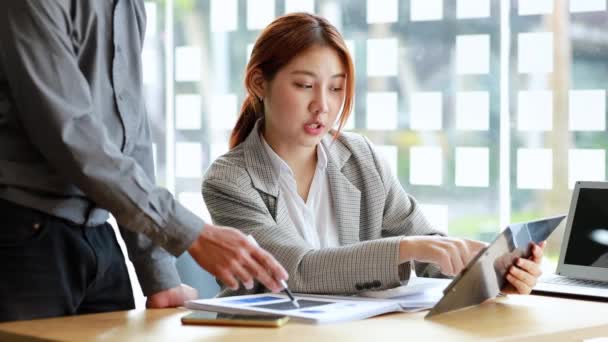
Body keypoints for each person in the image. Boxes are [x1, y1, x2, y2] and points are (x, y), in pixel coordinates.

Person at [202, 13, 544, 296]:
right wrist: (406, 248)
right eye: (305, 86)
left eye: (336, 88)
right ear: (259, 84)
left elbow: (430, 250)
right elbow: (295, 270)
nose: (323, 106)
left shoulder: (358, 156)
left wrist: (493, 269)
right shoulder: (229, 180)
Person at [0, 1, 288, 322]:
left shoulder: (129, 5)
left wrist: (159, 273)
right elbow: (70, 137)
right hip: (25, 234)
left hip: (99, 236)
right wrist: (193, 234)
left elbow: (130, 134)